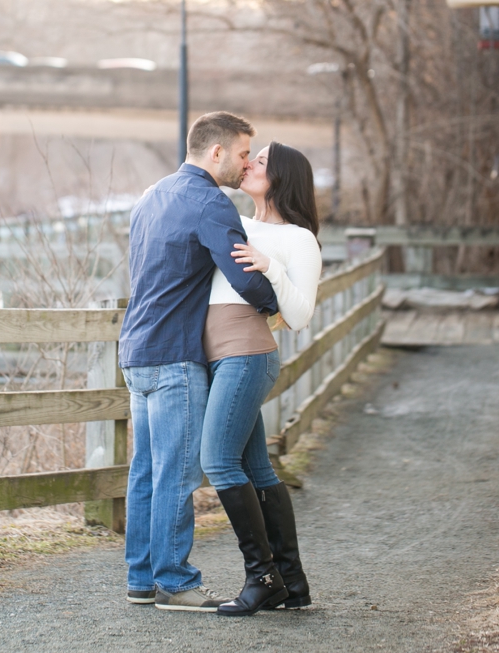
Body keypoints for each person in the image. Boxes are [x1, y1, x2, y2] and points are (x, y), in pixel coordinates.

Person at [118, 112, 279, 612]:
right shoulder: (210, 201)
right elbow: (244, 274)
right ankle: (176, 580)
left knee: (146, 470)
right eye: (241, 153)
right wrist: (278, 302)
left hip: (136, 350)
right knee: (177, 473)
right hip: (174, 356)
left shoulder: (151, 196)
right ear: (216, 153)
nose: (245, 163)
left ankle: (141, 578)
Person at [199, 141, 322, 616]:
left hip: (247, 354)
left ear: (283, 176)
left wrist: (270, 268)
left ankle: (263, 577)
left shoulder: (298, 239)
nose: (248, 163)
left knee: (218, 460)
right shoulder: (232, 218)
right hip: (215, 355)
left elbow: (301, 314)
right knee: (257, 469)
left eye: (262, 161)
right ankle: (292, 584)